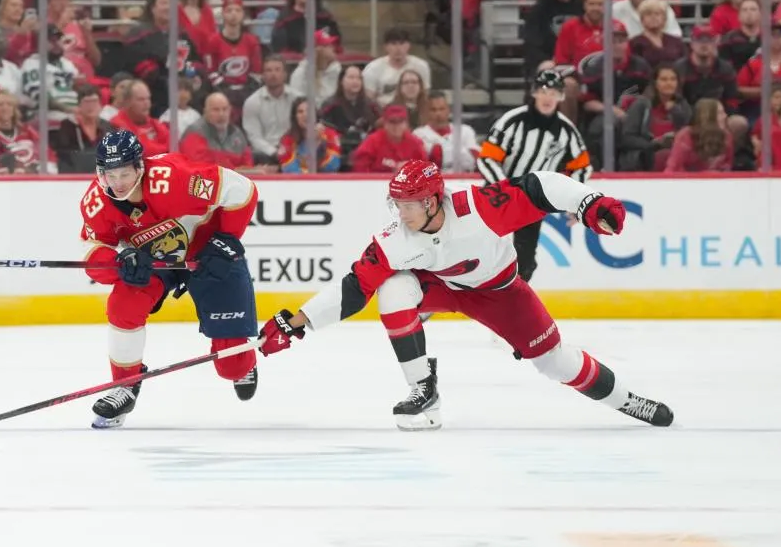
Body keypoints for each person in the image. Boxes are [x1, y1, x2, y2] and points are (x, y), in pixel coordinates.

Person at [257, 159, 674, 430]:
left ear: (436, 201)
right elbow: (353, 287)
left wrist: (589, 201)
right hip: (443, 287)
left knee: (555, 362)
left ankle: (628, 400)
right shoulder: (394, 237)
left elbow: (538, 187)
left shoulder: (479, 207)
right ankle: (424, 390)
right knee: (393, 288)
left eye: (411, 204)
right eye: (397, 203)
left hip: (501, 292)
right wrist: (297, 323)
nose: (402, 213)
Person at [79, 130, 260, 429]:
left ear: (140, 166)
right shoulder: (97, 202)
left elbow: (243, 190)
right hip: (156, 260)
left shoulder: (177, 178)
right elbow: (91, 250)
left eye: (125, 173)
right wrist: (118, 262)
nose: (118, 183)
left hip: (207, 253)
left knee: (232, 366)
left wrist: (226, 240)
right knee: (124, 303)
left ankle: (243, 361)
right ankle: (126, 384)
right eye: (110, 175)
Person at [476, 70, 591, 282]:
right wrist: (503, 188)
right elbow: (487, 159)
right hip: (496, 196)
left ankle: (513, 307)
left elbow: (582, 166)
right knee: (476, 251)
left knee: (526, 260)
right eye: (543, 91)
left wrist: (576, 202)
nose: (548, 97)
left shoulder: (566, 130)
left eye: (554, 92)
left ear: (561, 97)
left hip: (530, 201)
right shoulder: (512, 121)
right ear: (534, 93)